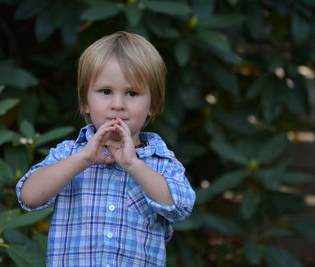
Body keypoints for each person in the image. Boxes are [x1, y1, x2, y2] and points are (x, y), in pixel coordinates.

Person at [16, 31, 196, 267]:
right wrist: (83, 159)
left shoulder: (160, 161)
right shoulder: (70, 154)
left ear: (152, 105)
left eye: (132, 93)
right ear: (85, 102)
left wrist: (134, 165)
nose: (118, 105)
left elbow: (180, 208)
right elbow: (29, 197)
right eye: (106, 92)